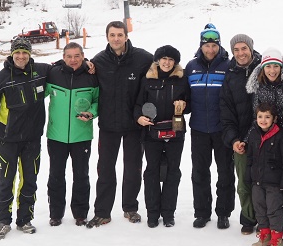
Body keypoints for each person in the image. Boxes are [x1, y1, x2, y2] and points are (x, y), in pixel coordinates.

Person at [0, 37, 50, 240]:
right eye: (17, 53)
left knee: (29, 180)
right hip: (8, 140)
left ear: (29, 54)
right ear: (11, 54)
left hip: (32, 139)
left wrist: (88, 65)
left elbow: (62, 66)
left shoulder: (40, 72)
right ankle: (2, 222)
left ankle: (24, 219)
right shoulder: (2, 77)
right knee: (6, 182)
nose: (21, 57)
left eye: (24, 53)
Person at [87, 21, 153, 228]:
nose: (116, 38)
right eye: (112, 35)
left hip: (134, 125)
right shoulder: (99, 61)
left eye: (120, 35)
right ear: (107, 37)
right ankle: (102, 212)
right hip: (108, 125)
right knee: (105, 169)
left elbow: (162, 71)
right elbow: (80, 72)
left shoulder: (142, 58)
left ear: (126, 36)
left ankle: (130, 208)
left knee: (133, 168)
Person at [245, 47, 283, 246]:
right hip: (266, 142)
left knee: (280, 195)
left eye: (276, 66)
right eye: (268, 67)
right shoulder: (260, 88)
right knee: (267, 197)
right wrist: (249, 140)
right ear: (262, 68)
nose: (272, 70)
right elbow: (256, 118)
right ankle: (268, 232)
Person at [185, 24, 235, 229]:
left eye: (214, 45)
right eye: (207, 46)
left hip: (222, 129)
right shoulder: (191, 67)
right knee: (199, 172)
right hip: (198, 129)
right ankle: (202, 212)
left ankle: (223, 212)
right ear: (201, 46)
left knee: (225, 172)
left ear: (219, 45)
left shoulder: (228, 66)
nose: (211, 49)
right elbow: (185, 96)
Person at [135, 45, 190, 228]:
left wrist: (183, 105)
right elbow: (138, 105)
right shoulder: (147, 80)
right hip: (152, 133)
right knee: (151, 172)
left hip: (175, 132)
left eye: (171, 60)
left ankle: (168, 214)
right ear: (158, 61)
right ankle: (152, 213)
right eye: (164, 59)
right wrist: (139, 118)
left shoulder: (182, 80)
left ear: (175, 63)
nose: (167, 63)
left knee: (173, 172)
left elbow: (189, 105)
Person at [45, 42, 99, 227]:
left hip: (81, 136)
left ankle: (80, 213)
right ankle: (56, 214)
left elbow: (98, 101)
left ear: (83, 56)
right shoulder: (53, 74)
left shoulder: (92, 76)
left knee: (81, 176)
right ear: (63, 57)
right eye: (69, 56)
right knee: (56, 175)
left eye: (77, 56)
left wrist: (91, 112)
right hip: (56, 135)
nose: (73, 60)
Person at [220, 34, 261, 235]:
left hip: (264, 138)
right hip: (241, 140)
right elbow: (226, 111)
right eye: (236, 50)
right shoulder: (230, 74)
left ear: (251, 48)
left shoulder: (263, 69)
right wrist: (234, 139)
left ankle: (265, 219)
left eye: (244, 48)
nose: (240, 53)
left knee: (264, 181)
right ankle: (248, 217)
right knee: (244, 182)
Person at [247, 103, 283, 246]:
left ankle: (277, 240)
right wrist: (249, 176)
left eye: (267, 117)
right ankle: (264, 235)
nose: (263, 120)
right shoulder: (253, 134)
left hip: (274, 183)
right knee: (259, 208)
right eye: (260, 117)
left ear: (274, 119)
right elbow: (250, 158)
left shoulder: (279, 136)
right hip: (257, 181)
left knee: (274, 210)